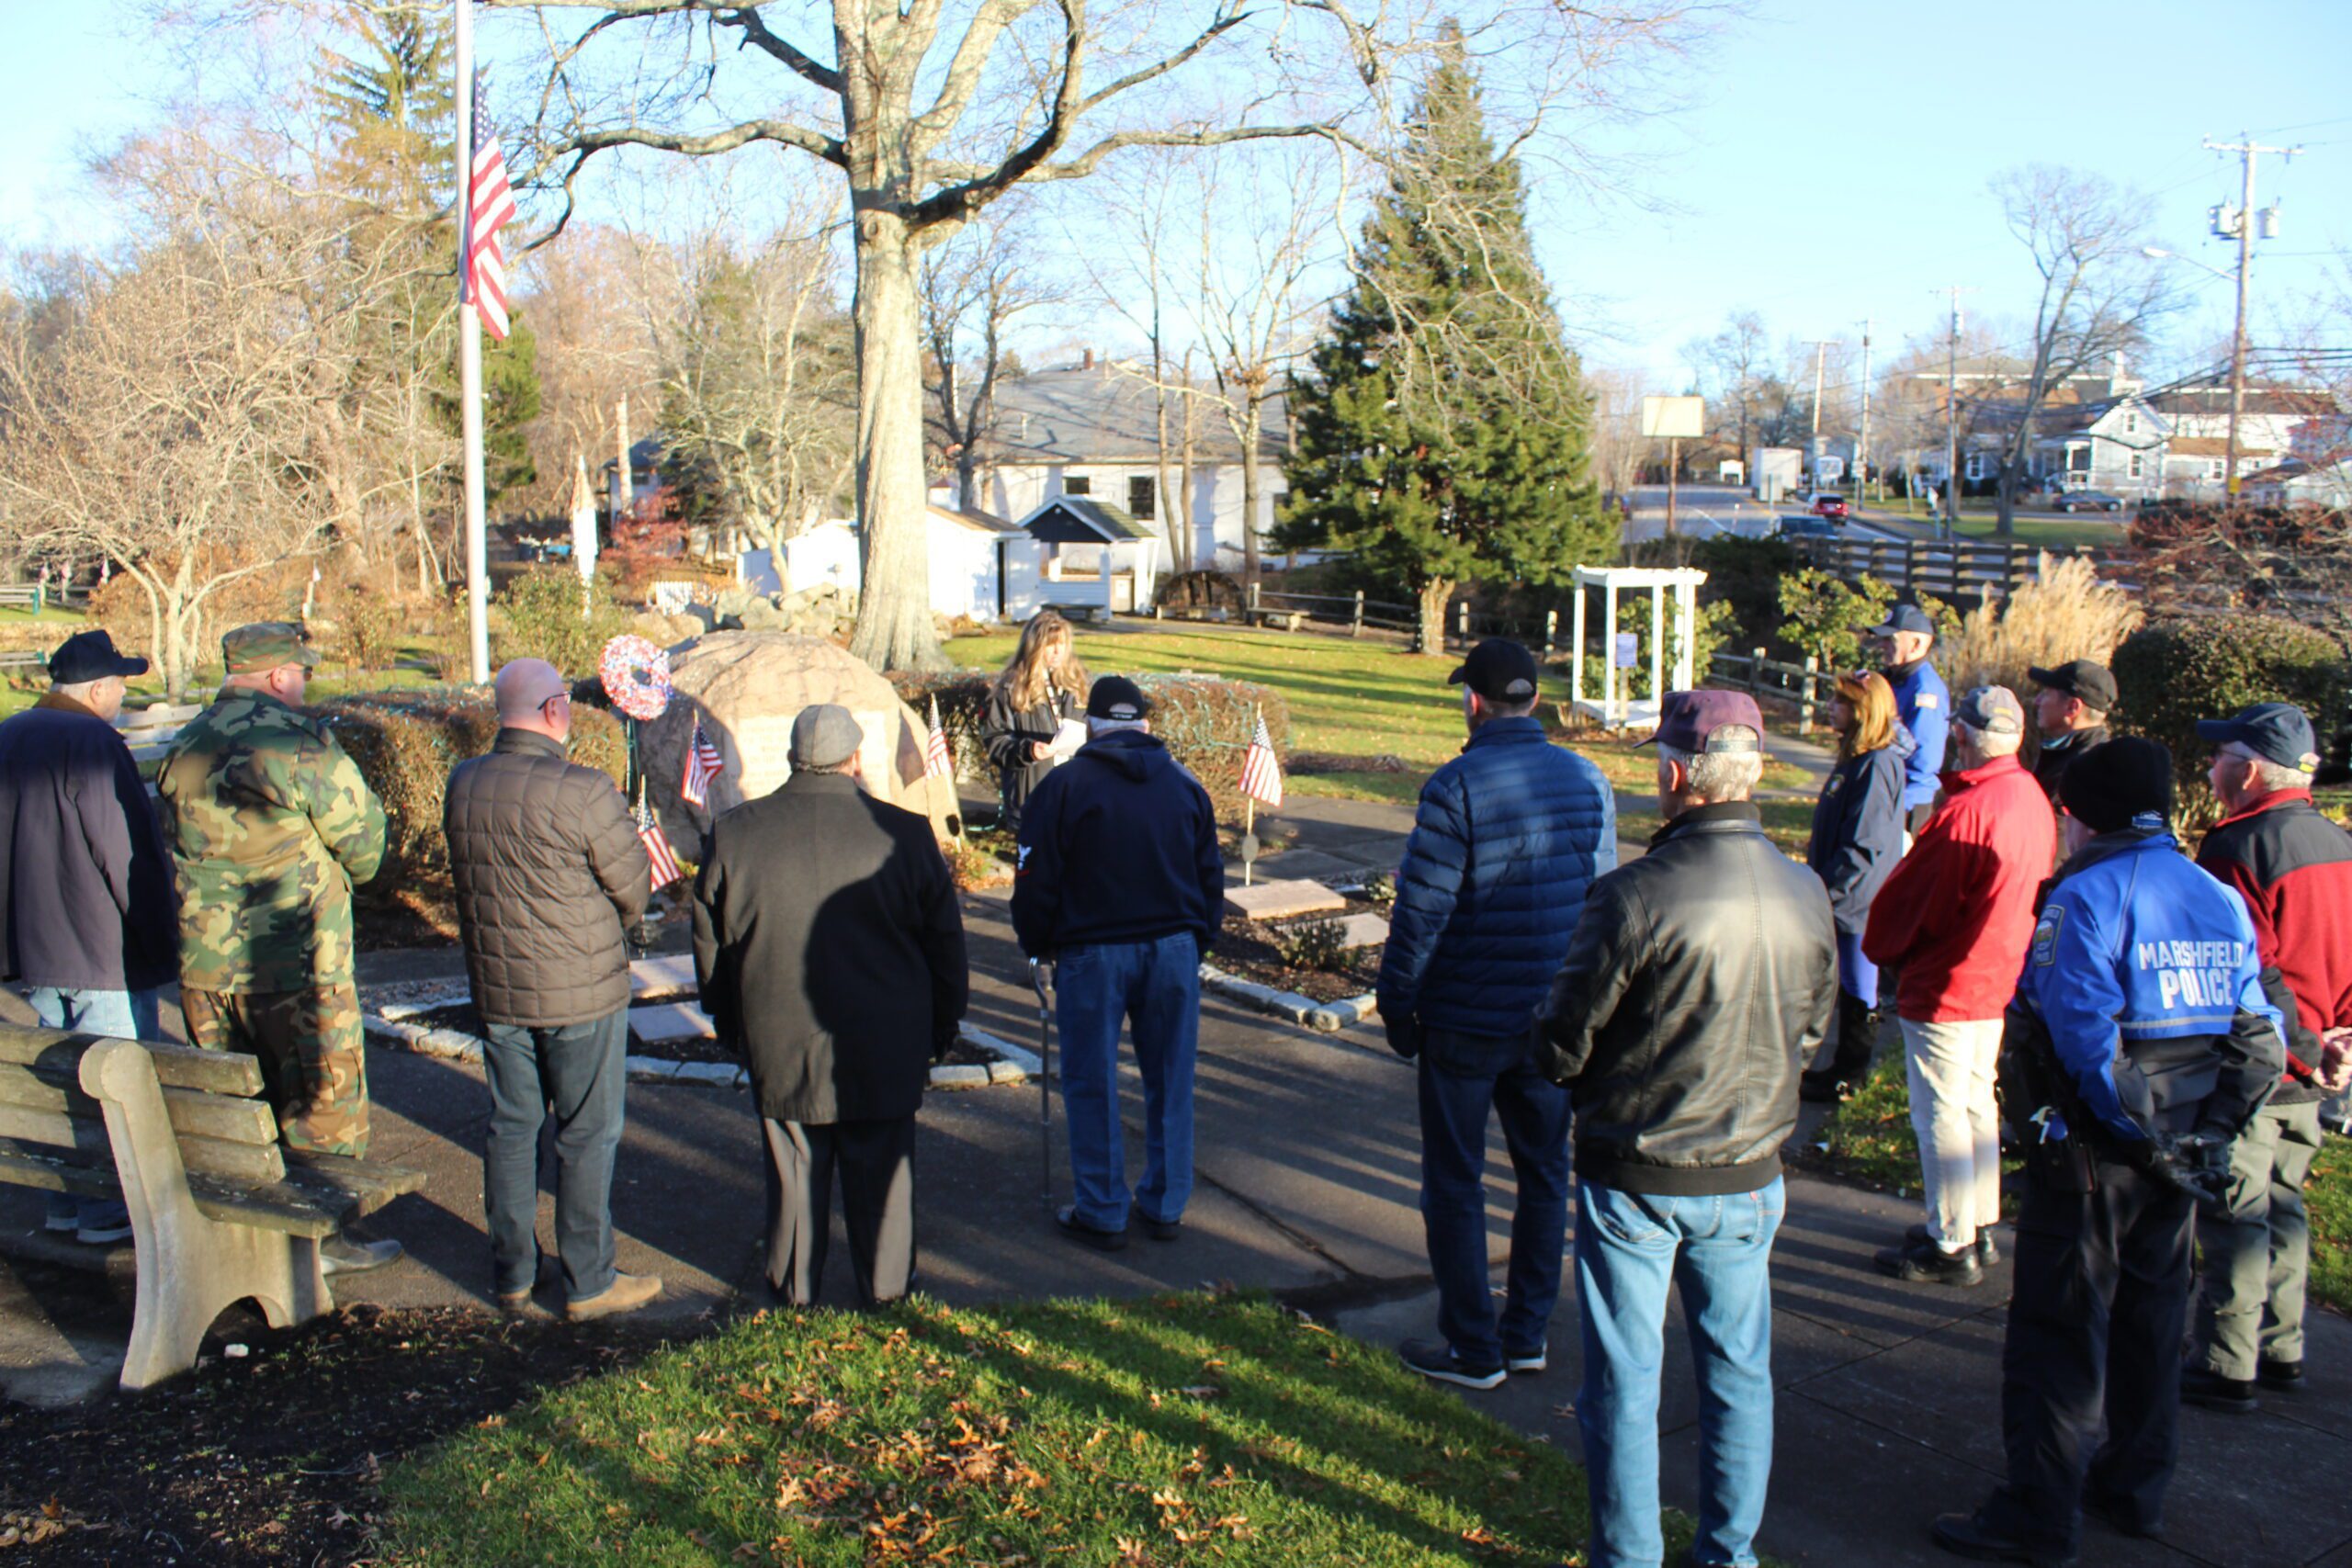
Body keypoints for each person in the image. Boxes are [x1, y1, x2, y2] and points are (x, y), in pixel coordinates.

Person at [1932, 738, 2284, 1566]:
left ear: (2086, 817)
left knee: (2057, 1334)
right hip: (2184, 1149)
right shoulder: (2215, 894)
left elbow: (2087, 1045)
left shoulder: (2084, 898)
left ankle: (2038, 1516)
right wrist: (2207, 1136)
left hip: (2097, 1157)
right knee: (2152, 1324)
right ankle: (2134, 1489)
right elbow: (2260, 1037)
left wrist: (2144, 1140)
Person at [1536, 690, 1838, 1568]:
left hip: (1641, 1168)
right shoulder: (1806, 888)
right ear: (1754, 771)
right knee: (1738, 1374)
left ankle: (1631, 1556)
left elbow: (1563, 1040)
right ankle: (1730, 1553)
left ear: (1676, 776)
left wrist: (1586, 1079)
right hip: (1749, 1166)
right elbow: (1811, 1033)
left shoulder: (1634, 894)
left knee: (1626, 1381)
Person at [1375, 639, 1617, 1390]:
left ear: (1473, 702)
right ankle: (1526, 1331)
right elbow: (1598, 896)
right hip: (1548, 1015)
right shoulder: (1585, 779)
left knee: (1456, 1181)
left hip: (1464, 1020)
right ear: (1534, 700)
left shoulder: (1455, 785)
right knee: (1544, 1174)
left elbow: (1421, 913)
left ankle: (1474, 1346)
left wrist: (1396, 1002)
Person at [695, 705, 967, 1307]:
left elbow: (710, 942)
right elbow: (944, 942)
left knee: (795, 1164)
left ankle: (795, 1286)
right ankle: (887, 1288)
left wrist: (727, 1018)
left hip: (779, 1027)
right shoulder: (905, 834)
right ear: (856, 760)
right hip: (885, 1034)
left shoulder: (736, 832)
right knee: (884, 1167)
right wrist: (945, 1020)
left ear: (794, 758)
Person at [158, 622, 399, 1276]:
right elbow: (365, 844)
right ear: (276, 676)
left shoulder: (185, 742)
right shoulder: (297, 743)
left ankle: (250, 1243)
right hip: (297, 963)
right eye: (302, 673)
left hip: (207, 969)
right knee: (322, 1107)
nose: (305, 684)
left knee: (237, 1110)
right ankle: (321, 1245)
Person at [444, 660, 660, 1321]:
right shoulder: (585, 790)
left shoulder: (463, 782)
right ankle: (589, 1281)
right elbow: (633, 887)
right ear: (554, 710)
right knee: (587, 1132)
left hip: (500, 986)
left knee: (512, 1127)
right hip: (580, 992)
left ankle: (513, 1272)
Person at [1012, 676, 1222, 1251]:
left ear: (1093, 726)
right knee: (1171, 1079)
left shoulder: (1063, 786)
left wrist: (1037, 943)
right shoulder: (1186, 786)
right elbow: (1210, 877)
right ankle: (1165, 1202)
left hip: (1093, 952)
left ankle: (1103, 1208)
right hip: (1173, 947)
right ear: (1146, 724)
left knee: (1091, 1081)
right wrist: (1198, 941)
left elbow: (1035, 879)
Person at [2182, 703, 2352, 1412]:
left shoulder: (2238, 847)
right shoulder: (2337, 842)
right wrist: (2338, 1043)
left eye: (2220, 756)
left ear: (2249, 771)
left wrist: (2307, 1049)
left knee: (2236, 1210)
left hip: (2260, 1063)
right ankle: (2281, 1345)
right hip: (2315, 1063)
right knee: (2285, 1204)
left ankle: (2227, 1359)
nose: (2211, 767)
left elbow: (2250, 966)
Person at [1864, 686, 2054, 1286]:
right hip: (1997, 974)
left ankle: (1950, 1241)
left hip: (1950, 980)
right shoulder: (2028, 795)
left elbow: (1917, 901)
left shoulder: (1969, 811)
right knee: (1974, 1102)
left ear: (1963, 735)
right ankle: (1975, 1221)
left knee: (1942, 1112)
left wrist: (1887, 949)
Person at [0, 629, 178, 1245]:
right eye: (121, 685)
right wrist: (160, 938)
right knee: (116, 1090)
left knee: (60, 1086)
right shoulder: (95, 743)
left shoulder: (9, 735)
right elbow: (124, 854)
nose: (124, 696)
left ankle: (67, 1204)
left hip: (31, 948)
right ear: (99, 689)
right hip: (101, 951)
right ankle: (105, 1214)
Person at [1800, 670, 1914, 1103]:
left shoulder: (1878, 764)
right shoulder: (1856, 759)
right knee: (1849, 983)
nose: (1831, 707)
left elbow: (1864, 845)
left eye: (1841, 702)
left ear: (1865, 711)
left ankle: (1850, 1075)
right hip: (1842, 898)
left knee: (1860, 985)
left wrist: (1828, 894)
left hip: (1856, 903)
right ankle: (1840, 1069)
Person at [981, 610, 1088, 836]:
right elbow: (995, 741)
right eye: (1050, 645)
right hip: (1031, 796)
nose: (1057, 651)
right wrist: (1027, 751)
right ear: (1034, 647)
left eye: (1061, 644)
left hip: (1074, 797)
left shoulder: (1078, 684)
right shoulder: (1011, 688)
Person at [1868, 604, 1949, 836]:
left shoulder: (1925, 690)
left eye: (1890, 640)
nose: (1882, 646)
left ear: (1916, 644)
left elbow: (1924, 761)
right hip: (1887, 794)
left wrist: (1898, 806)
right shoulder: (1893, 680)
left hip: (1907, 803)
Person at [2026, 660, 2116, 803]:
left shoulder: (2078, 772)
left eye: (2046, 693)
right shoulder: (2089, 755)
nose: (2037, 701)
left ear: (2072, 707)